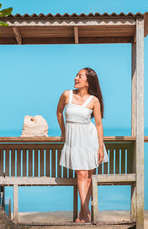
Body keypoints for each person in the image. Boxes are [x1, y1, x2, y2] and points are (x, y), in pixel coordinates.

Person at [56, 67, 109, 223]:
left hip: (89, 139)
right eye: (76, 75)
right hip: (74, 139)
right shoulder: (67, 95)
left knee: (88, 177)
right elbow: (59, 112)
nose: (75, 78)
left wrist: (100, 146)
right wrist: (63, 131)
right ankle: (86, 213)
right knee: (81, 174)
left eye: (79, 76)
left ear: (88, 82)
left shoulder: (94, 101)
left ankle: (82, 213)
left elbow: (98, 124)